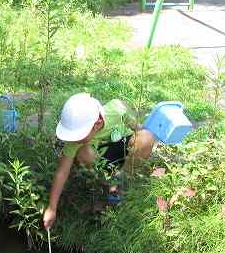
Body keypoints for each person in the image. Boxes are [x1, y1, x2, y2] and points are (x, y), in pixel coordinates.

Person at [42, 93, 156, 229]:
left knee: (147, 137)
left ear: (97, 124)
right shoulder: (74, 142)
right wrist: (52, 207)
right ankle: (106, 186)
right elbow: (62, 172)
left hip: (124, 149)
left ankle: (122, 183)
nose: (75, 140)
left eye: (79, 136)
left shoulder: (117, 111)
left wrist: (140, 146)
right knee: (83, 152)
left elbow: (141, 131)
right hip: (101, 160)